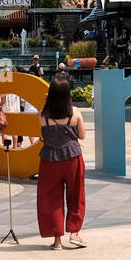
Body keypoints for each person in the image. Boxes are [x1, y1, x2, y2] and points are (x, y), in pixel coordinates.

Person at [37, 73, 87, 250]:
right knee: (76, 195)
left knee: (51, 198)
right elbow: (81, 135)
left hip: (50, 159)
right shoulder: (75, 113)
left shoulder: (43, 115)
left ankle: (57, 240)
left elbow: (43, 133)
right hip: (72, 158)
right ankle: (74, 233)